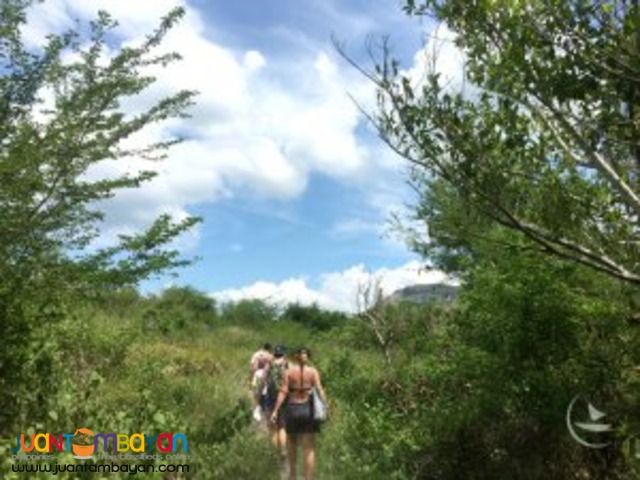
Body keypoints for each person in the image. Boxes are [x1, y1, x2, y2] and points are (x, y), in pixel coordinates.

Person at [271, 347, 327, 480]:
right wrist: (326, 407)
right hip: (308, 410)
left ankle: (292, 475)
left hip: (292, 409)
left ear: (295, 357)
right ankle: (308, 478)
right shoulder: (313, 372)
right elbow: (320, 390)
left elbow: (283, 391)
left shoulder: (289, 372)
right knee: (308, 448)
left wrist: (275, 410)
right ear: (308, 356)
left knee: (292, 443)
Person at [264, 345, 289, 456]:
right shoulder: (287, 364)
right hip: (284, 397)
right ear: (284, 354)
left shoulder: (270, 365)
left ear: (274, 354)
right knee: (282, 426)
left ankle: (276, 454)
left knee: (273, 427)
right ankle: (283, 450)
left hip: (271, 396)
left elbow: (264, 380)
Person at [249, 343, 273, 422]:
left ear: (263, 347)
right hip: (266, 375)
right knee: (264, 393)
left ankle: (255, 408)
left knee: (255, 392)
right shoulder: (270, 356)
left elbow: (252, 366)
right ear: (269, 349)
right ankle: (263, 410)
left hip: (257, 373)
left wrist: (251, 377)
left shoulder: (256, 354)